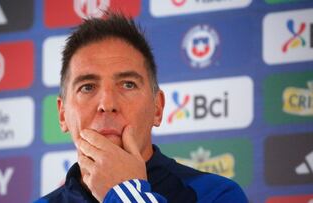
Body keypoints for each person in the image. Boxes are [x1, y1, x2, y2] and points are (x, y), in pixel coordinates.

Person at [35, 12, 248, 203]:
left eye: (128, 84)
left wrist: (124, 193)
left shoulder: (216, 195)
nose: (107, 104)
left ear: (157, 107)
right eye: (87, 87)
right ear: (62, 114)